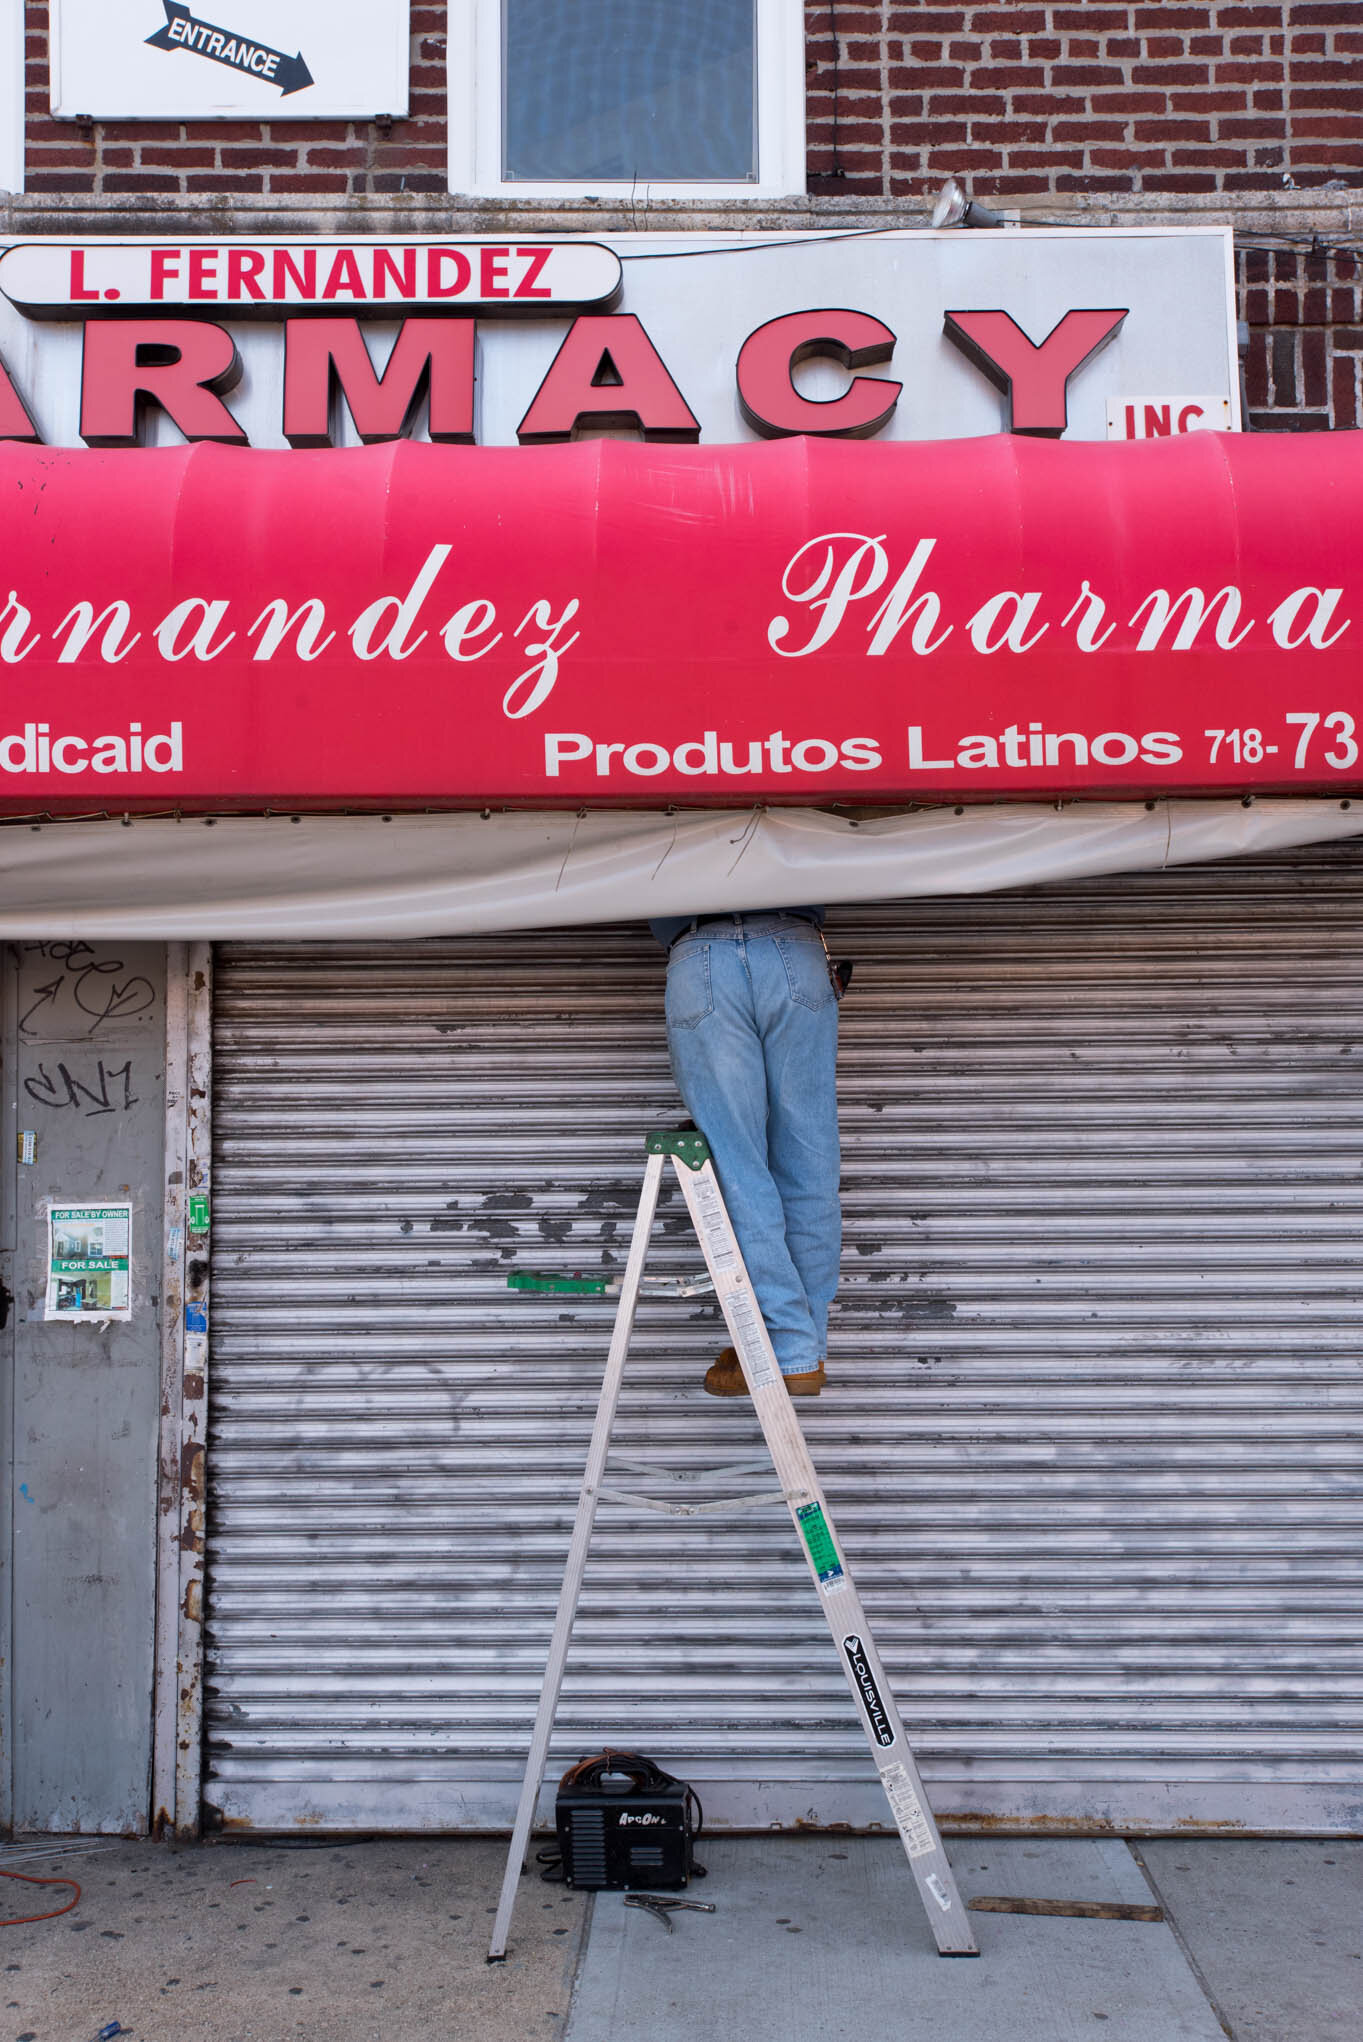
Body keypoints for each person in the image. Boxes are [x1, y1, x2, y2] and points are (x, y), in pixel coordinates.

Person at [649, 908, 843, 1397]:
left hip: (702, 949)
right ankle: (802, 1349)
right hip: (795, 948)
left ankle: (784, 1342)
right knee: (810, 1167)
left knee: (738, 1167)